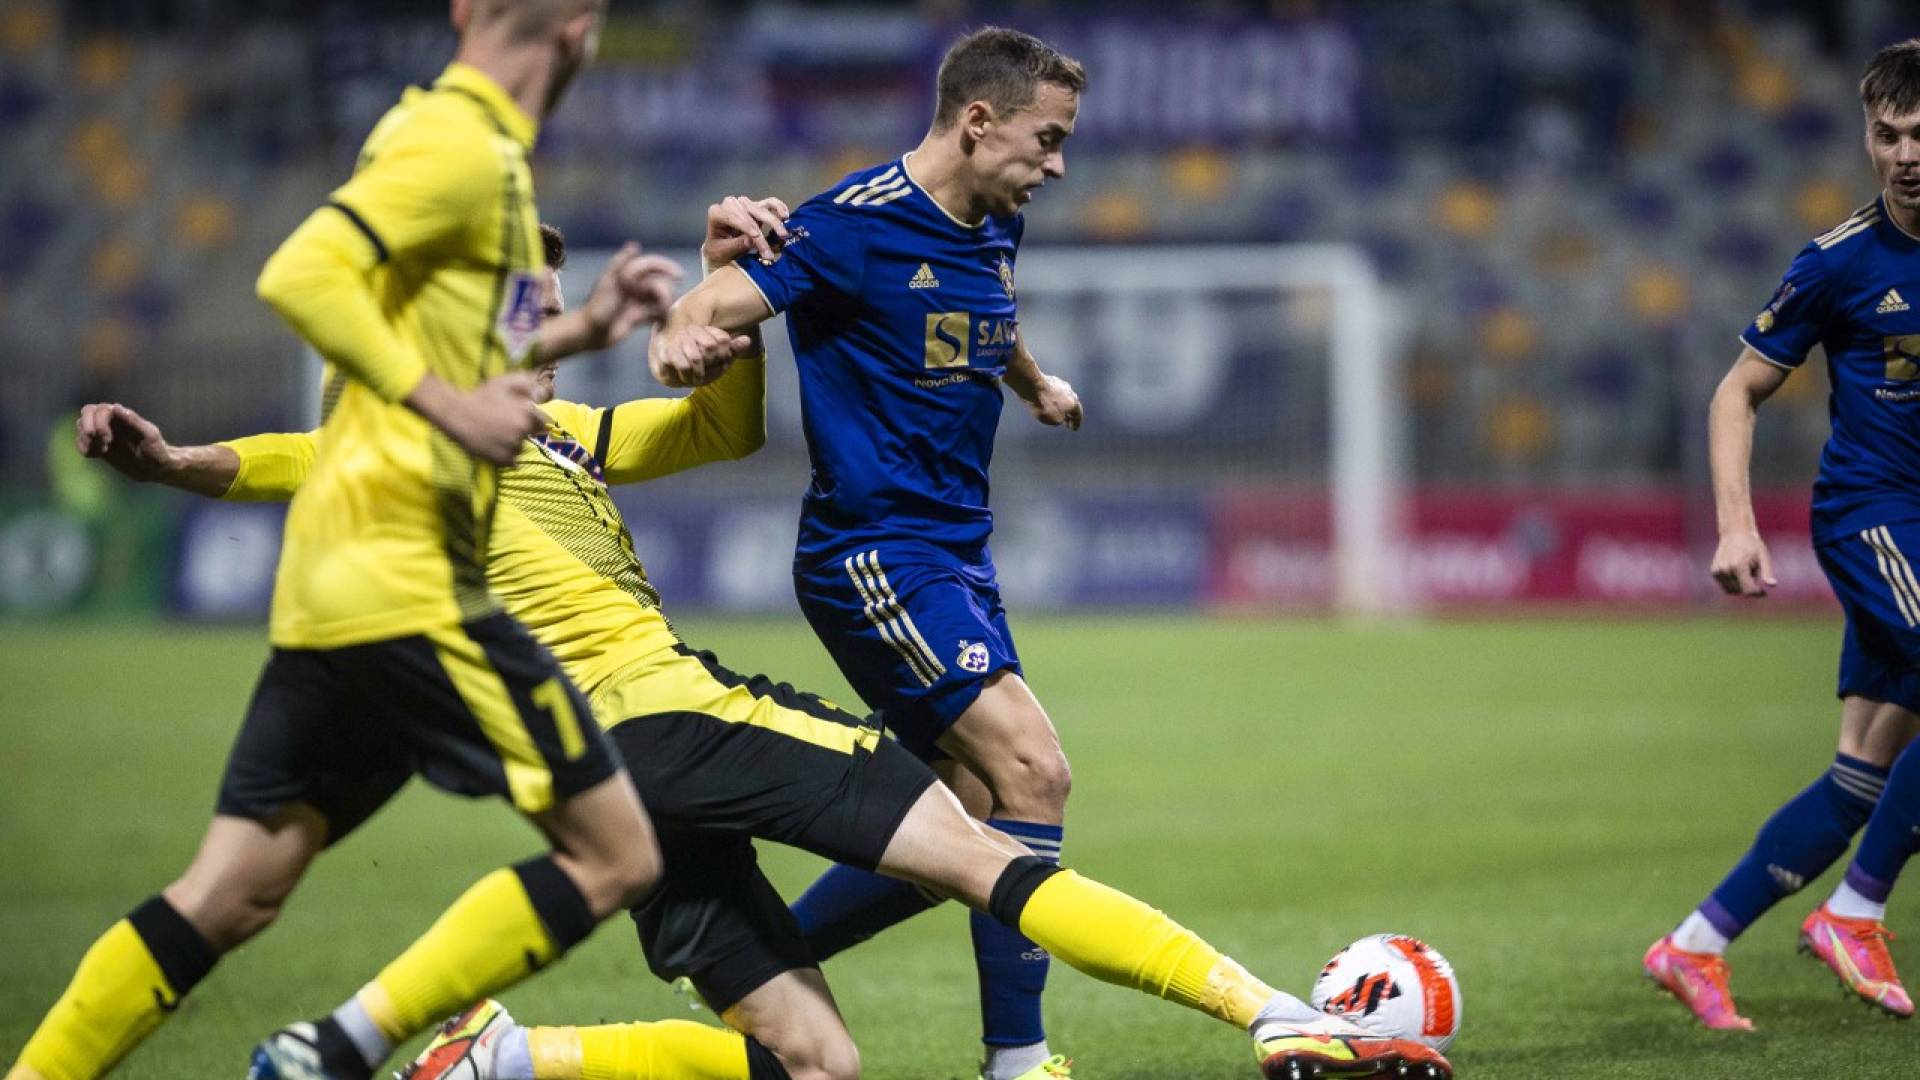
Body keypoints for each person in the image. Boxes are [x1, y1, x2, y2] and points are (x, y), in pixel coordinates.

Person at [72, 218, 1451, 1080]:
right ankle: (1269, 1015)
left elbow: (720, 431)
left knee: (815, 1061)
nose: (542, 331)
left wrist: (729, 290)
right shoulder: (394, 442)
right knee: (986, 836)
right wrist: (173, 460)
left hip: (603, 781)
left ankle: (506, 1060)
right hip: (671, 717)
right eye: (519, 310)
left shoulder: (565, 438)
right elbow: (270, 458)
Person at [4, 4, 685, 1079]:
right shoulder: (459, 143)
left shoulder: (484, 163)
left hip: (336, 587)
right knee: (619, 853)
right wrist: (448, 406)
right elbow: (300, 274)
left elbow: (471, 351)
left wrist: (587, 327)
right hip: (412, 583)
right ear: (578, 30)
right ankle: (337, 1051)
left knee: (231, 893)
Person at [646, 28, 1088, 1080]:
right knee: (1033, 769)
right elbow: (707, 305)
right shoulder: (849, 226)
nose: (1059, 165)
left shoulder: (997, 219)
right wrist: (676, 338)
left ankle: (762, 969)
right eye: (1048, 139)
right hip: (873, 553)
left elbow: (987, 312)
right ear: (978, 121)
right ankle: (1019, 1062)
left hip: (957, 551)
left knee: (965, 815)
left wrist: (1033, 383)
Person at [1644, 38, 1920, 1030]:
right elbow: (1737, 391)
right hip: (1874, 517)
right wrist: (1735, 526)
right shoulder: (1840, 261)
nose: (1906, 154)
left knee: (1862, 771)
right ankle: (1855, 912)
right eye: (1888, 134)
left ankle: (1695, 944)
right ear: (1866, 138)